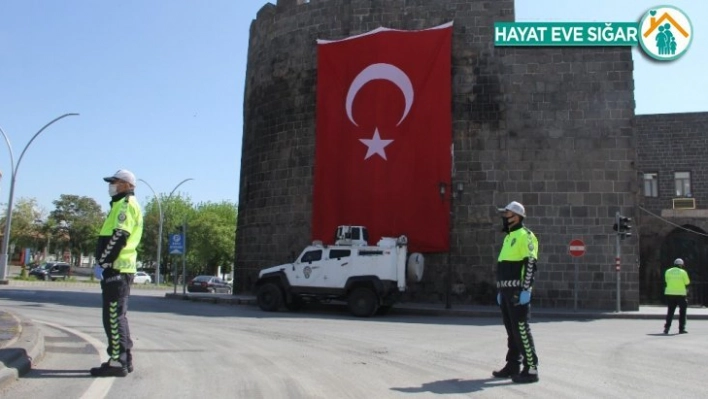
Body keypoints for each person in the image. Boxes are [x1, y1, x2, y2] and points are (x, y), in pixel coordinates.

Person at [90, 169, 144, 377]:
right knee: (117, 316)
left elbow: (119, 237)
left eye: (116, 182)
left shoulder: (126, 206)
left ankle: (117, 361)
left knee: (113, 317)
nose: (111, 185)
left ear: (128, 185)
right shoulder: (119, 206)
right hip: (118, 268)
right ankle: (124, 359)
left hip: (117, 268)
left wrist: (104, 262)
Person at [492, 201, 540, 384]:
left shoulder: (525, 236)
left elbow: (530, 265)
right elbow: (504, 266)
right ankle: (513, 365)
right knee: (511, 331)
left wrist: (525, 289)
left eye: (507, 214)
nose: (504, 218)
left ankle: (531, 368)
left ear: (517, 216)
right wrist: (500, 289)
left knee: (521, 329)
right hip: (505, 290)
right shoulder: (508, 237)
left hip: (516, 291)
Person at [663, 258, 690, 335]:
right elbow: (687, 282)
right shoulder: (683, 272)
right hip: (681, 295)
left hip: (670, 294)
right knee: (682, 312)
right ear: (681, 265)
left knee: (670, 312)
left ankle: (666, 328)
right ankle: (681, 329)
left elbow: (666, 281)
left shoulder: (668, 271)